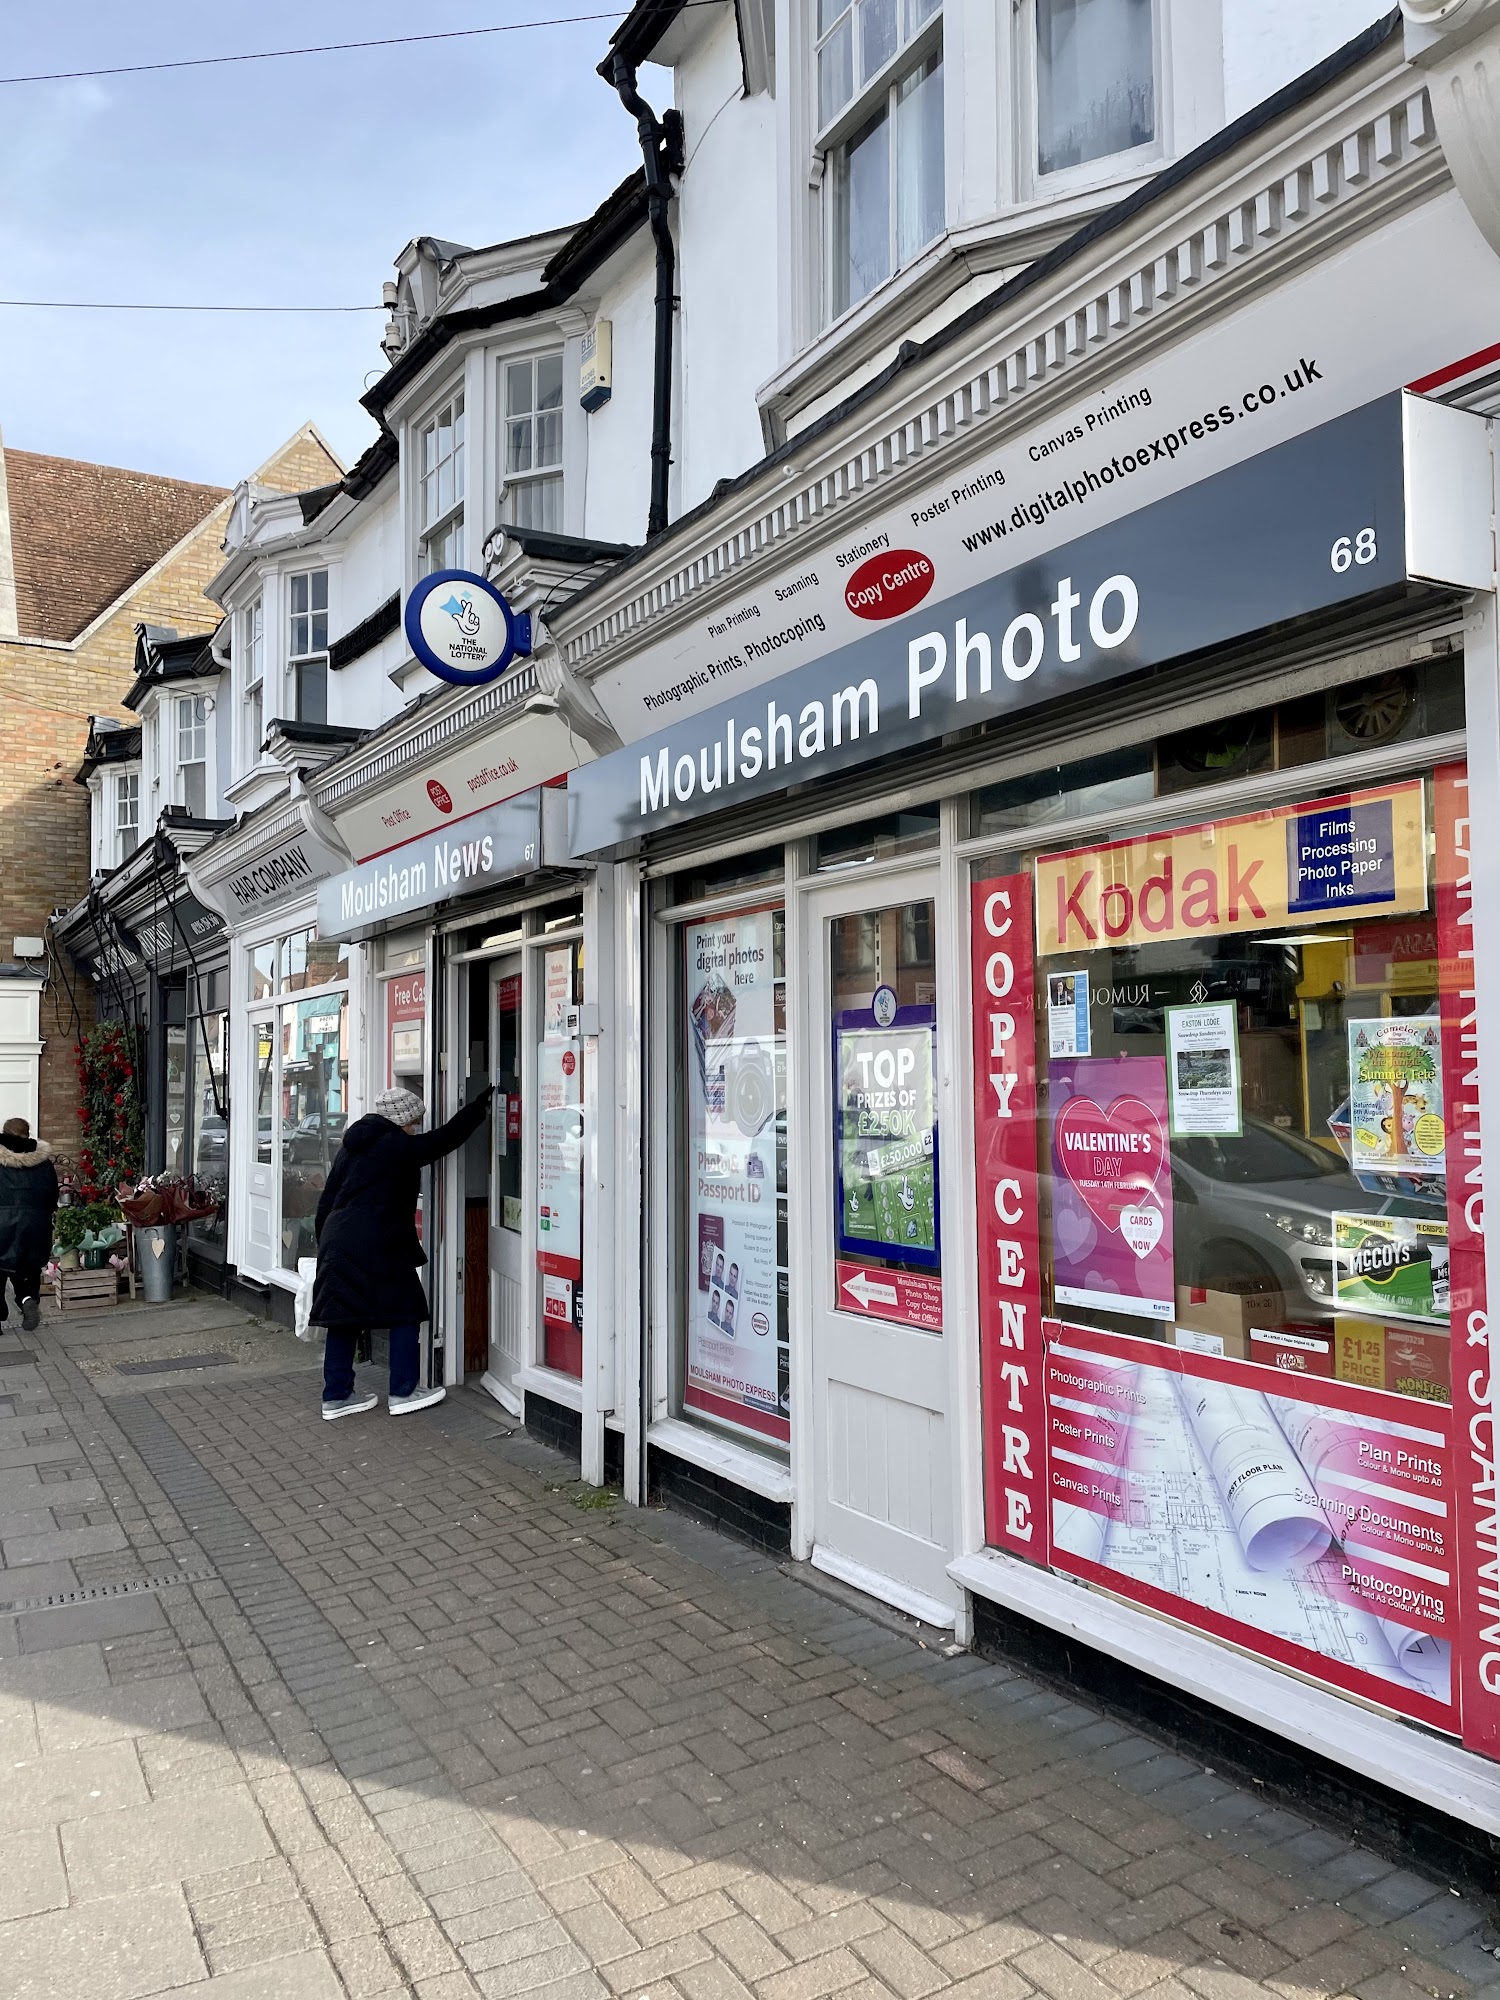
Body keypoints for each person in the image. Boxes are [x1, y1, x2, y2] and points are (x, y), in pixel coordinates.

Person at [312, 1084, 493, 1420]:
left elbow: (328, 1196)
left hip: (338, 1238)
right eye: (413, 1122)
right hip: (377, 1239)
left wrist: (324, 1242)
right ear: (401, 1121)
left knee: (343, 1315)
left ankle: (336, 1396)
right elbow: (441, 1141)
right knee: (407, 1309)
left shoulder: (353, 1145)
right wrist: (476, 1110)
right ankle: (404, 1391)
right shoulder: (393, 1145)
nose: (416, 1129)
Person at [0, 1115, 60, 1334]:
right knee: (28, 1270)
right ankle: (27, 1299)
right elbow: (52, 1195)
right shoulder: (43, 1163)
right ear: (28, 1135)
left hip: (1, 1225)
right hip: (36, 1225)